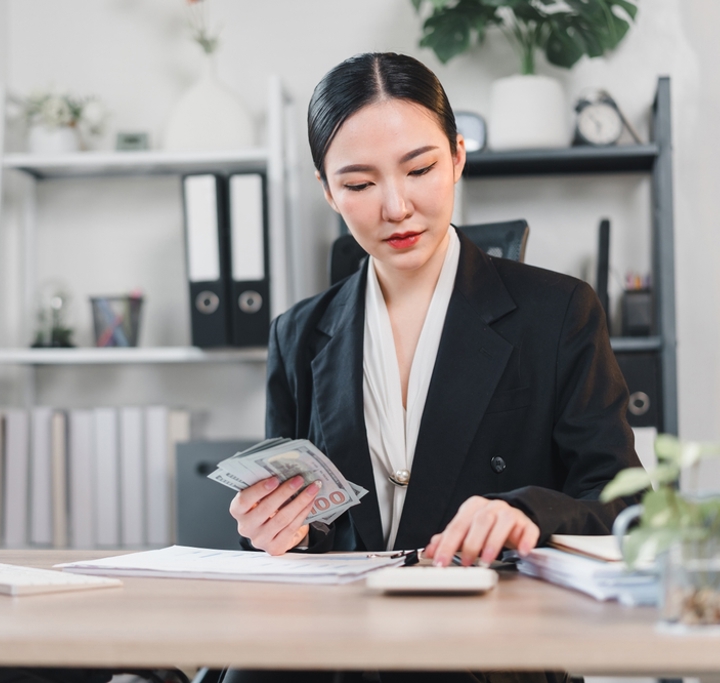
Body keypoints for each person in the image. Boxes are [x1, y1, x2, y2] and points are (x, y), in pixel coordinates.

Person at [223, 52, 642, 683]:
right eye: (360, 184)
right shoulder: (298, 334)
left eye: (419, 168)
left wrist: (526, 511)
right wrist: (275, 530)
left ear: (457, 156)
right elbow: (303, 532)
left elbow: (625, 511)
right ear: (327, 190)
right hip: (335, 647)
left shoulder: (557, 313)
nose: (395, 207)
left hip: (484, 647)